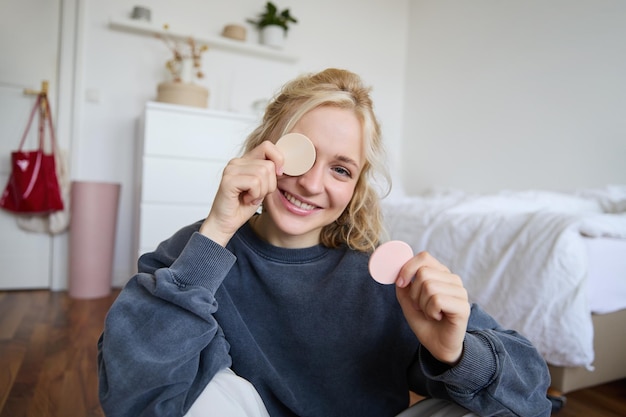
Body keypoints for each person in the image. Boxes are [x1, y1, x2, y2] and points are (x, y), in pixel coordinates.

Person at [97, 68, 552, 417]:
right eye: (301, 153)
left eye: (340, 169)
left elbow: (533, 396)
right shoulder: (198, 250)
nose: (312, 184)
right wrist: (215, 232)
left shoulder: (387, 273)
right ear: (264, 147)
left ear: (356, 187)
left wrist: (454, 353)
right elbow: (133, 393)